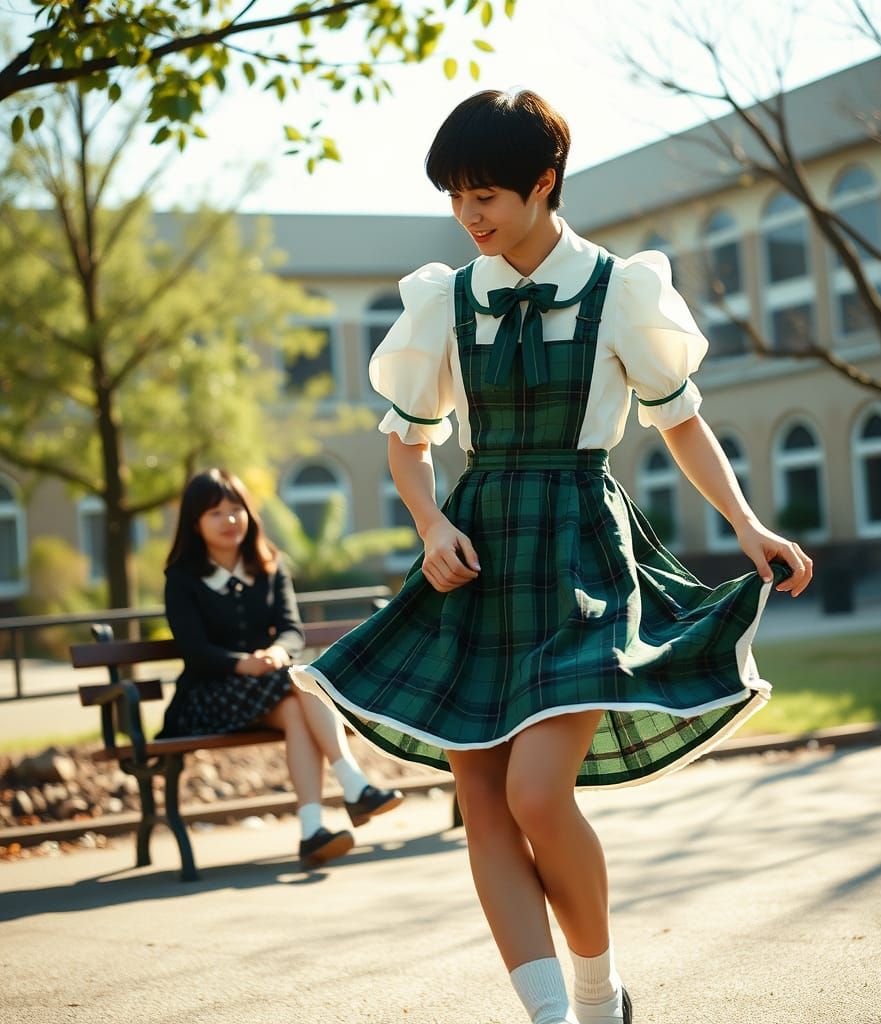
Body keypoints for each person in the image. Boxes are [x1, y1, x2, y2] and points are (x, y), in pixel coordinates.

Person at [293, 90, 813, 1023]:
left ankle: (597, 989)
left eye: (486, 195)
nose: (470, 217)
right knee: (483, 805)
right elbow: (408, 444)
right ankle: (554, 1018)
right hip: (479, 554)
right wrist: (430, 527)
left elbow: (681, 424)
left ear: (544, 184)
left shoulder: (622, 291)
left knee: (537, 793)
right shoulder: (444, 301)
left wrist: (746, 525)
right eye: (456, 198)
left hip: (578, 554)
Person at [160, 467, 404, 870]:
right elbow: (194, 650)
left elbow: (292, 630)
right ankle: (353, 785)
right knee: (301, 685)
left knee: (297, 703)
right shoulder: (183, 579)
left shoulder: (270, 565)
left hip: (271, 688)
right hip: (208, 695)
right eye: (215, 513)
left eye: (235, 509)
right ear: (195, 522)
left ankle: (312, 831)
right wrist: (243, 663)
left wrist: (275, 651)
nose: (229, 520)